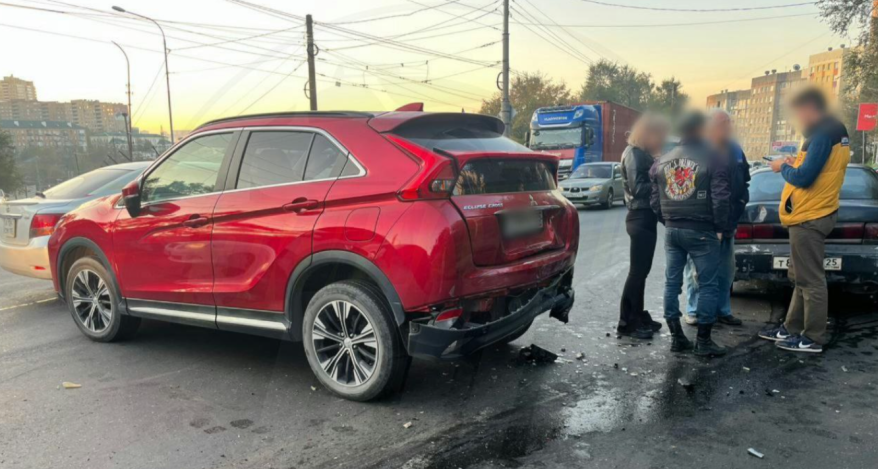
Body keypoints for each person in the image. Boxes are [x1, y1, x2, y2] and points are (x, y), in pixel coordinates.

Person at [759, 87, 850, 353]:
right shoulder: (833, 132)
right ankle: (790, 328)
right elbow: (815, 169)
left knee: (810, 281)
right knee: (801, 277)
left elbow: (803, 178)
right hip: (813, 212)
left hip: (810, 215)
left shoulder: (823, 135)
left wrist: (781, 167)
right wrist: (794, 162)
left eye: (799, 112)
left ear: (811, 108)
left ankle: (812, 338)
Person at [650, 110, 730, 357]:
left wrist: (668, 220)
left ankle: (677, 338)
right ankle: (703, 342)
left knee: (671, 283)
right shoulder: (714, 157)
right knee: (708, 284)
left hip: (673, 230)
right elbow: (721, 197)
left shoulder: (662, 161)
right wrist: (720, 227)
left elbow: (654, 200)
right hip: (703, 231)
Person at [682, 109, 750, 327]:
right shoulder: (698, 149)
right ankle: (694, 310)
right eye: (722, 123)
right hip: (704, 224)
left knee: (726, 271)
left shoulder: (735, 150)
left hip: (728, 222)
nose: (727, 127)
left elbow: (744, 180)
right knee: (697, 271)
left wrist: (739, 205)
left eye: (728, 123)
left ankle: (722, 310)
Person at [617, 113, 670, 339]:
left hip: (644, 217)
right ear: (648, 134)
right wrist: (662, 181)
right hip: (639, 217)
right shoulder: (635, 154)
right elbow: (639, 188)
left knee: (642, 271)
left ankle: (637, 316)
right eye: (659, 135)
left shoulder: (640, 153)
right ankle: (627, 322)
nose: (661, 140)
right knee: (637, 272)